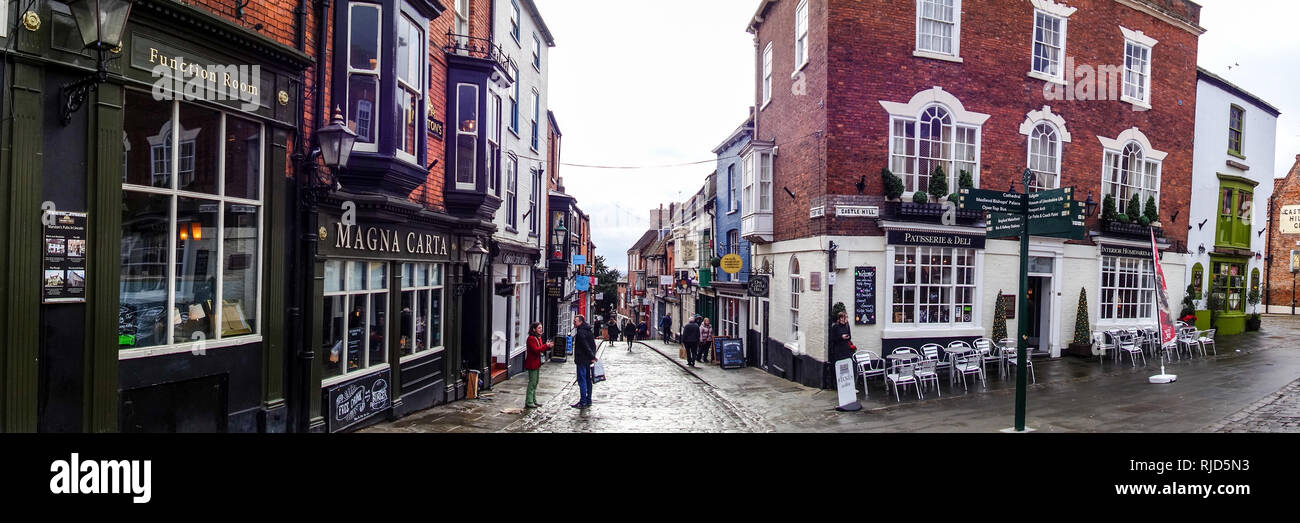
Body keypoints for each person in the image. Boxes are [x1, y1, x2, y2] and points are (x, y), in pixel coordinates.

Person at [571, 315, 598, 408]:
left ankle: (583, 402)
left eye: (575, 321)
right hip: (587, 360)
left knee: (582, 380)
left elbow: (586, 345)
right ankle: (588, 400)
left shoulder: (580, 332)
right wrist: (592, 356)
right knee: (588, 380)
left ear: (580, 322)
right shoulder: (588, 330)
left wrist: (592, 356)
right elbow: (593, 345)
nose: (573, 323)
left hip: (582, 360)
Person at [524, 322, 553, 408]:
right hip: (532, 363)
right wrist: (546, 346)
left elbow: (540, 348)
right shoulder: (531, 339)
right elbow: (536, 350)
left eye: (541, 328)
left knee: (535, 382)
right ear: (534, 329)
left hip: (536, 363)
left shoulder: (538, 338)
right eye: (539, 328)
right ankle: (529, 401)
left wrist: (547, 346)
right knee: (532, 382)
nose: (541, 330)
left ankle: (533, 400)